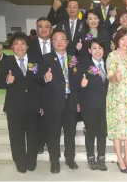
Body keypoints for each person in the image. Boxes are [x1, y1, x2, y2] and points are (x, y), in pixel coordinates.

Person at [0, 32, 43, 173]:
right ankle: (20, 163)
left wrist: (41, 104)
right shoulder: (6, 62)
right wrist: (6, 80)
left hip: (32, 106)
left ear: (27, 46)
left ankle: (31, 161)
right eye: (16, 43)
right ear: (11, 47)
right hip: (14, 107)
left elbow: (39, 84)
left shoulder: (34, 61)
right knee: (16, 137)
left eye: (23, 43)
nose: (20, 46)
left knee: (33, 136)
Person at [37, 30, 79, 173]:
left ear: (67, 42)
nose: (59, 42)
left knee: (70, 133)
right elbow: (37, 79)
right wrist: (44, 78)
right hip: (53, 102)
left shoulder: (73, 58)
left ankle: (70, 159)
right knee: (53, 133)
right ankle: (54, 161)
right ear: (51, 42)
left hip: (70, 102)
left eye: (62, 39)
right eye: (56, 39)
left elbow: (77, 81)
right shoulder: (45, 58)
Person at [106, 27, 127, 173]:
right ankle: (120, 159)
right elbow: (110, 75)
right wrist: (116, 77)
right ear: (117, 41)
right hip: (116, 99)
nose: (126, 42)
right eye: (122, 39)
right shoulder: (112, 56)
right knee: (117, 130)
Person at [76, 39, 108, 171]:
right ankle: (90, 158)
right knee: (90, 132)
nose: (97, 51)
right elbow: (76, 84)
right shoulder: (84, 65)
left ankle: (101, 158)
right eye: (94, 48)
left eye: (100, 48)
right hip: (89, 105)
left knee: (102, 133)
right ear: (89, 51)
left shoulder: (107, 64)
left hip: (104, 105)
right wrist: (80, 85)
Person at [27, 17, 53, 154]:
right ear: (36, 29)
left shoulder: (57, 43)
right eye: (40, 26)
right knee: (37, 116)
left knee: (51, 116)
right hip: (35, 85)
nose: (43, 29)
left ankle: (51, 141)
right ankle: (39, 143)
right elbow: (27, 64)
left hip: (53, 86)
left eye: (46, 26)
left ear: (51, 29)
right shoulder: (29, 45)